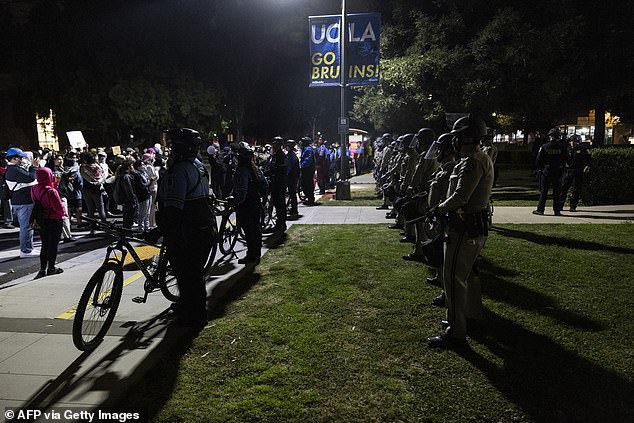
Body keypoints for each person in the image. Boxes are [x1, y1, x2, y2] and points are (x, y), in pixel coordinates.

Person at [427, 115, 494, 348]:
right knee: (469, 276)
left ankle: (456, 331)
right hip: (473, 226)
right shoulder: (476, 158)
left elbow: (460, 197)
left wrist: (438, 208)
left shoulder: (472, 161)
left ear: (465, 137)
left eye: (457, 137)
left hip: (464, 228)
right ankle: (472, 317)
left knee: (453, 278)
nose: (454, 142)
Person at [157, 128, 214, 329]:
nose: (171, 149)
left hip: (188, 230)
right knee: (192, 274)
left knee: (188, 274)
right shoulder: (197, 165)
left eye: (174, 145)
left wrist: (162, 229)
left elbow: (174, 207)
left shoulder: (180, 170)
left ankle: (196, 316)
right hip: (203, 225)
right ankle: (187, 305)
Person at [232, 142, 266, 264]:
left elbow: (242, 192)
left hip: (246, 205)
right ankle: (257, 253)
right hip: (256, 202)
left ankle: (251, 255)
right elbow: (264, 185)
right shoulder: (255, 169)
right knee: (256, 230)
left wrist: (235, 202)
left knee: (249, 231)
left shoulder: (242, 171)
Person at [5, 148, 39, 257]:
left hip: (20, 201)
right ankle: (25, 250)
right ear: (14, 158)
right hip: (23, 202)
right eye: (20, 157)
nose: (22, 159)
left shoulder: (13, 169)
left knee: (27, 226)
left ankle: (29, 248)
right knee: (26, 226)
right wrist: (34, 166)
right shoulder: (13, 169)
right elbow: (31, 177)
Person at [32, 167, 65, 278]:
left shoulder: (34, 189)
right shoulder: (51, 191)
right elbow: (58, 207)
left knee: (44, 245)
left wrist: (54, 185)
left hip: (42, 220)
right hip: (55, 219)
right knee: (53, 245)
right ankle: (51, 267)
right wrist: (64, 213)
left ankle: (42, 269)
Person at [533, 127, 567, 216]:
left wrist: (541, 169)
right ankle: (557, 210)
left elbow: (538, 160)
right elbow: (566, 159)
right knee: (557, 192)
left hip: (546, 172)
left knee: (544, 192)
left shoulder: (544, 147)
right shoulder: (562, 147)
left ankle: (540, 210)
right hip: (558, 172)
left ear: (550, 136)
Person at [559, 134, 591, 212]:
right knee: (563, 188)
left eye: (575, 142)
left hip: (577, 171)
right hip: (568, 171)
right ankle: (560, 205)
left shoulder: (583, 149)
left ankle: (573, 206)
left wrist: (587, 166)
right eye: (572, 141)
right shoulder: (567, 149)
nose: (573, 143)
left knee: (576, 189)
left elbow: (589, 158)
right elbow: (562, 158)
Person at [263, 137, 288, 233]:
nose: (273, 146)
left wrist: (269, 172)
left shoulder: (280, 156)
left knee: (279, 205)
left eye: (275, 144)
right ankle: (280, 223)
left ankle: (280, 224)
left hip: (279, 183)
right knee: (278, 205)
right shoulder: (275, 155)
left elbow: (277, 169)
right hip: (276, 183)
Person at [79, 152, 106, 227]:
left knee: (90, 209)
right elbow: (103, 176)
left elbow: (85, 176)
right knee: (101, 208)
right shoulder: (98, 166)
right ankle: (105, 225)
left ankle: (92, 227)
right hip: (97, 189)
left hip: (86, 189)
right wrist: (99, 182)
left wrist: (92, 181)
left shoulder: (83, 167)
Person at [299, 137, 316, 205]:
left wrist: (301, 166)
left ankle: (310, 199)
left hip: (307, 169)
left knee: (306, 184)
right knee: (305, 184)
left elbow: (307, 160)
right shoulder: (305, 149)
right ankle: (309, 198)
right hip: (307, 169)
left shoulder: (308, 149)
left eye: (302, 142)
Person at [0, 155, 15, 229]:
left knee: (7, 204)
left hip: (5, 188)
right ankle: (7, 221)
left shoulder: (7, 168)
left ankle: (8, 221)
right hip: (3, 187)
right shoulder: (4, 169)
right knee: (7, 204)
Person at [286, 139, 300, 217]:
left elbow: (289, 167)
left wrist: (285, 175)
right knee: (292, 193)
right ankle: (293, 208)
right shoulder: (292, 155)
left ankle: (294, 209)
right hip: (294, 177)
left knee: (292, 193)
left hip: (291, 177)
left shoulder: (291, 156)